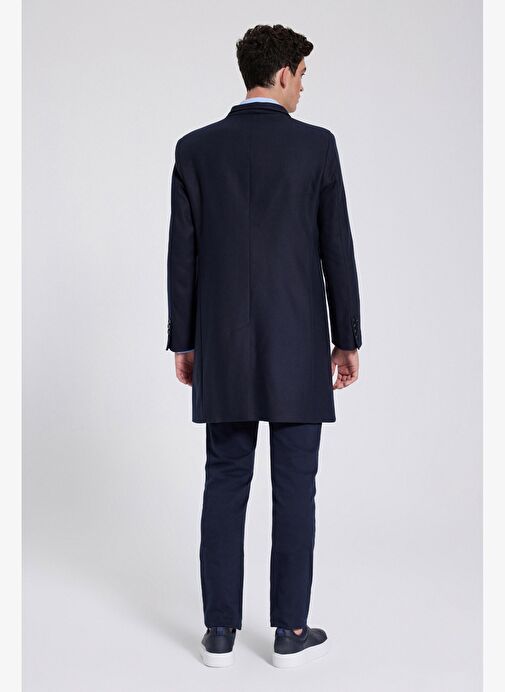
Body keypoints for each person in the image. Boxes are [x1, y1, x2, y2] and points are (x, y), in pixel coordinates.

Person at [165, 23, 362, 668]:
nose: (303, 87)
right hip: (298, 345)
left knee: (224, 480)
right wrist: (346, 338)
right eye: (302, 75)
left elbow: (183, 257)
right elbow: (337, 250)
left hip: (221, 345)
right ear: (282, 74)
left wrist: (184, 341)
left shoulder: (195, 149)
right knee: (295, 487)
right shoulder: (316, 147)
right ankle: (288, 632)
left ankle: (219, 632)